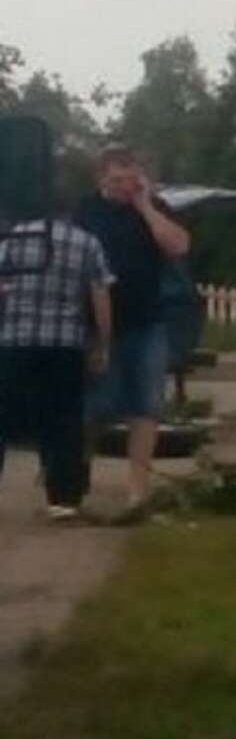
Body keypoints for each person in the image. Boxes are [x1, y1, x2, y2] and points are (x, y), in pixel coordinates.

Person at [74, 145, 189, 516]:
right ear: (101, 177)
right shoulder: (84, 212)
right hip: (94, 322)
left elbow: (179, 246)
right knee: (93, 406)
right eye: (117, 179)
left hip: (147, 320)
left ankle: (138, 489)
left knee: (146, 406)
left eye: (131, 178)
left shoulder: (152, 208)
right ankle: (73, 479)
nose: (125, 186)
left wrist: (145, 207)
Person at [0, 198, 113, 522]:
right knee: (63, 422)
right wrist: (102, 344)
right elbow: (100, 296)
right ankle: (63, 500)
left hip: (15, 341)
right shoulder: (87, 243)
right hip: (65, 345)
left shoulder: (16, 236)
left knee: (3, 417)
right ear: (72, 214)